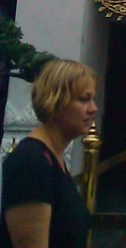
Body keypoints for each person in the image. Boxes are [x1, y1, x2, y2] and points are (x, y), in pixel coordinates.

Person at [1, 59, 98, 248]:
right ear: (56, 101)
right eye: (83, 99)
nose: (93, 108)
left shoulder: (53, 158)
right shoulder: (31, 162)